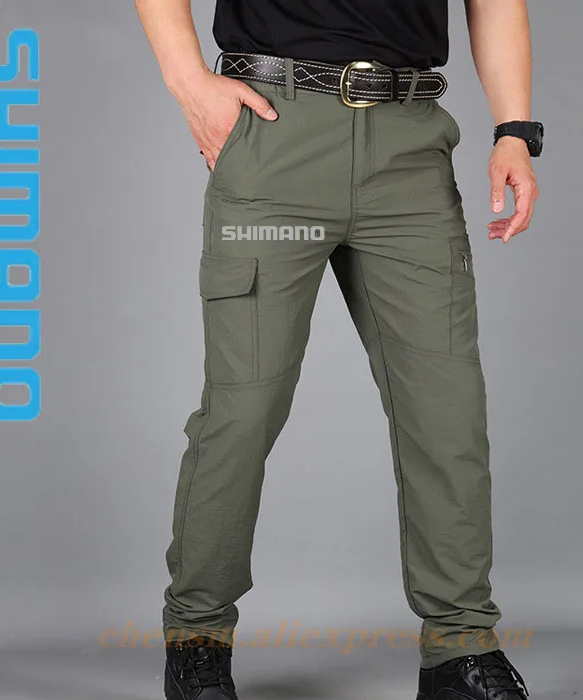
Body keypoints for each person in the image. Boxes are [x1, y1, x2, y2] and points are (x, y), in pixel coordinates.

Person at [135, 0, 542, 698]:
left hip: (410, 148)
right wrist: (188, 80)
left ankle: (460, 651)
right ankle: (197, 640)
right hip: (277, 134)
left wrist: (514, 131)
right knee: (244, 409)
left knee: (447, 413)